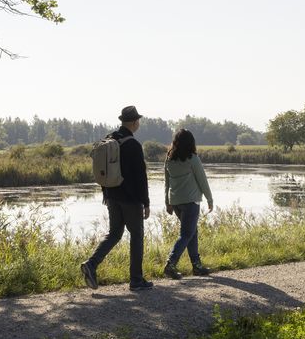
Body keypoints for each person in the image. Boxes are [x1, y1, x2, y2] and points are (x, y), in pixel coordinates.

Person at [80, 105, 153, 290]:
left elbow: (104, 169)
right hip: (130, 198)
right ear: (135, 122)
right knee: (136, 235)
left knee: (114, 233)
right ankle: (136, 280)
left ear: (122, 121)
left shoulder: (110, 139)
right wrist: (146, 202)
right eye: (138, 121)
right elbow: (140, 176)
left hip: (111, 195)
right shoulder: (133, 144)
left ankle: (91, 264)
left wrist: (106, 192)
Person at [162, 127, 214, 278]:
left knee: (192, 232)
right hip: (191, 202)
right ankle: (170, 264)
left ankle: (197, 266)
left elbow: (166, 183)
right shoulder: (193, 158)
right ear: (191, 143)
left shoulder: (169, 159)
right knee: (186, 234)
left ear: (175, 142)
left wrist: (167, 202)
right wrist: (210, 199)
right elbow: (202, 181)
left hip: (176, 203)